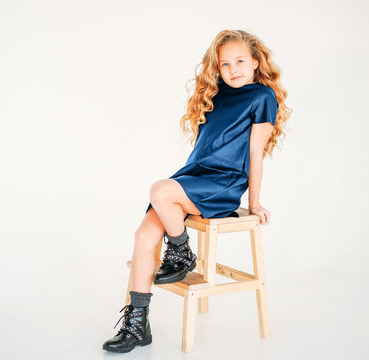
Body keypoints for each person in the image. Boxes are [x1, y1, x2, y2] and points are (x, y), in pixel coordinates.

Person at [102, 29, 291, 353]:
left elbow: (256, 152)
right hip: (194, 178)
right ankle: (137, 325)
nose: (233, 69)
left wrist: (254, 202)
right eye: (225, 64)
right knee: (144, 236)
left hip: (223, 182)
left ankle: (181, 251)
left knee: (159, 190)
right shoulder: (215, 93)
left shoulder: (262, 97)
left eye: (240, 61)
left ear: (256, 62)